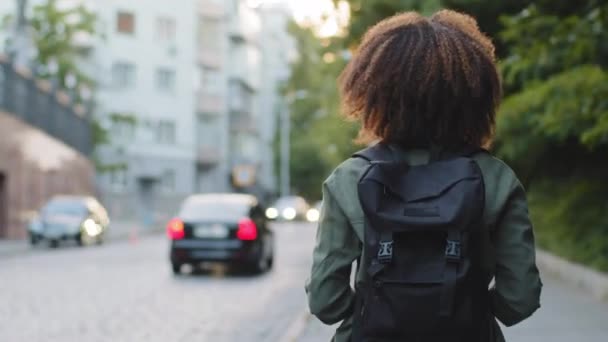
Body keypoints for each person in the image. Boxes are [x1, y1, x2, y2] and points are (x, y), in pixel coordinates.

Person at [305, 10, 542, 342]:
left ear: (374, 93)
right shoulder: (496, 179)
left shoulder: (349, 178)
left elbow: (325, 301)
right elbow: (521, 298)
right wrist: (469, 313)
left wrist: (377, 312)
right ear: (475, 94)